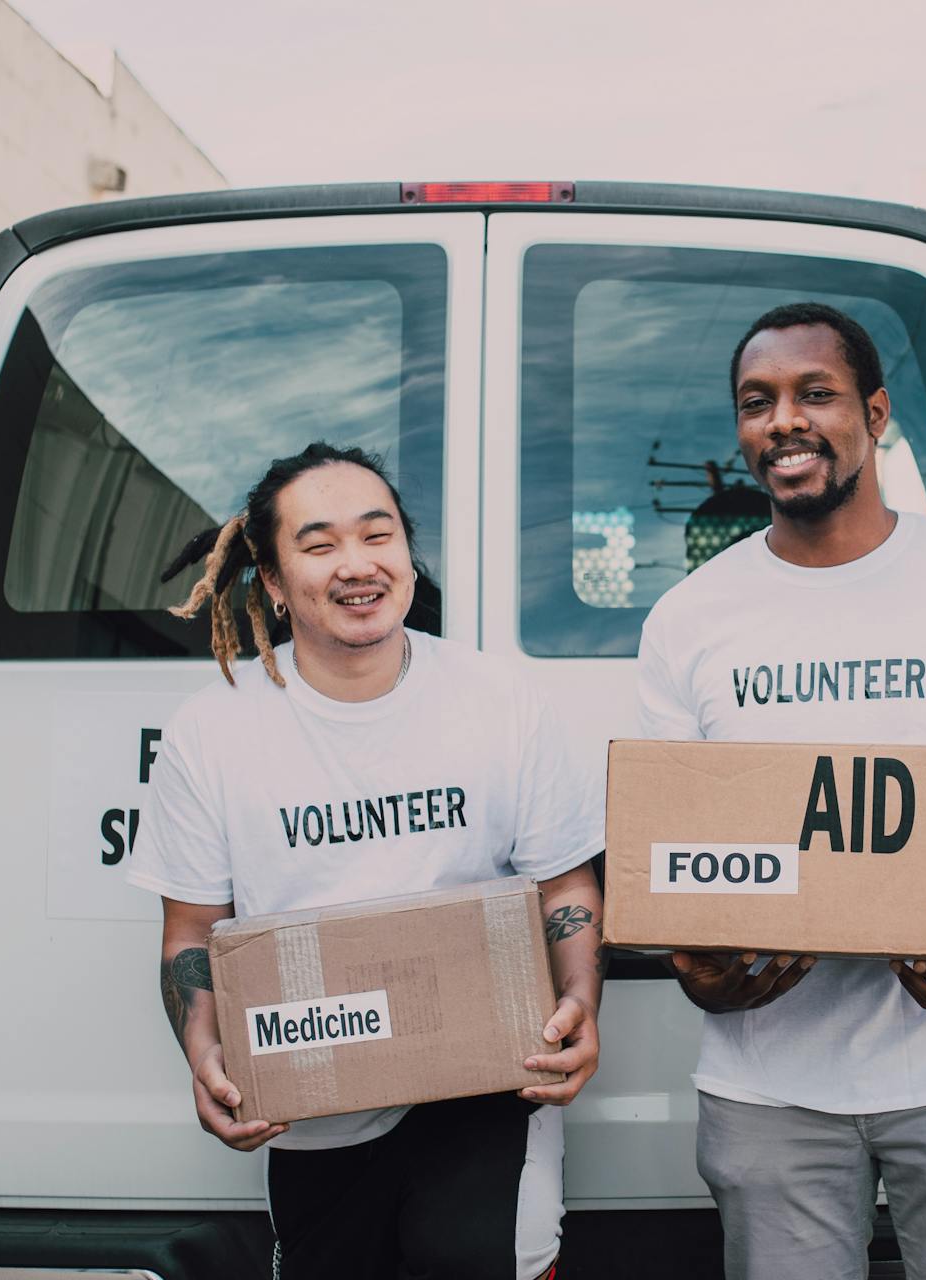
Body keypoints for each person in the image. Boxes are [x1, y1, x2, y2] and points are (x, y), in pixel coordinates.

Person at [636, 303, 926, 1280]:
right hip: (768, 1082)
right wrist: (697, 966)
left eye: (816, 393)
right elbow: (675, 849)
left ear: (875, 412)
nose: (783, 420)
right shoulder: (689, 619)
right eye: (758, 402)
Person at [129, 442, 604, 1280]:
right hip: (312, 1095)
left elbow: (565, 883)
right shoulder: (214, 732)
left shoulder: (500, 703)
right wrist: (202, 1048)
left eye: (378, 536)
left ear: (406, 558)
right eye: (319, 545)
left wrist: (579, 1001)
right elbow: (191, 932)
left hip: (486, 1086)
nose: (357, 565)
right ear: (273, 583)